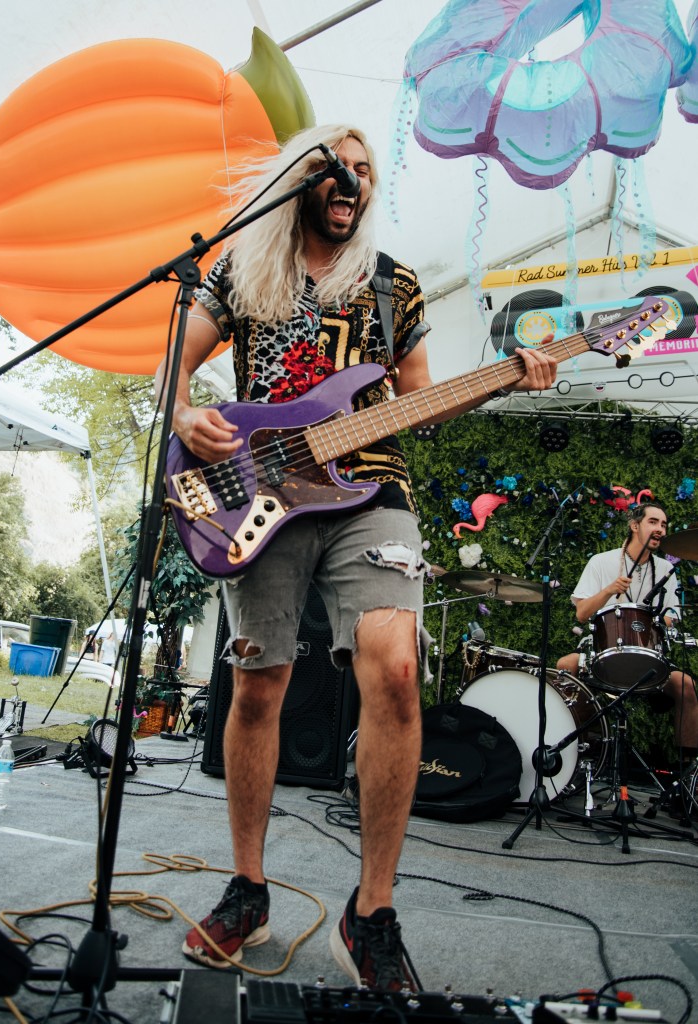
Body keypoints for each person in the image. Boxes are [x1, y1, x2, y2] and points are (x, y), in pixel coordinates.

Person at [155, 123, 557, 990]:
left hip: (372, 491)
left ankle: (372, 912)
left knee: (396, 666)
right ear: (301, 179)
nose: (352, 181)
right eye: (336, 167)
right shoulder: (242, 268)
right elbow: (173, 364)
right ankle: (247, 890)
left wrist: (505, 376)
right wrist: (184, 413)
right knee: (258, 684)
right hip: (257, 493)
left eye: (365, 172)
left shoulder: (391, 282)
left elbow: (419, 399)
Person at [556, 502, 698, 769]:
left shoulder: (665, 570)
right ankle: (576, 754)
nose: (660, 529)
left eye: (664, 524)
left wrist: (657, 619)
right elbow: (582, 614)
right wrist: (609, 591)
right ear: (634, 526)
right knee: (566, 665)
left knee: (686, 685)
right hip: (603, 653)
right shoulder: (602, 562)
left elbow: (672, 616)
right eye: (653, 522)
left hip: (649, 658)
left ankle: (689, 773)